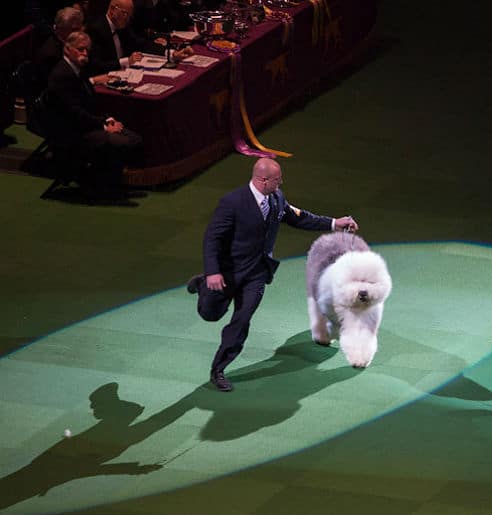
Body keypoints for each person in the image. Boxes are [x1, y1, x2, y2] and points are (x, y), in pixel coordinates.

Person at [186, 157, 359, 392]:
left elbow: (299, 217)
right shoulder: (232, 202)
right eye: (277, 179)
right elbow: (212, 238)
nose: (281, 182)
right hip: (228, 273)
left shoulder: (277, 198)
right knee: (210, 313)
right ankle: (203, 284)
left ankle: (218, 369)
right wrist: (213, 272)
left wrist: (333, 223)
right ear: (263, 179)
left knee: (242, 319)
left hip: (257, 273)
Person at [44, 30, 144, 199]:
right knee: (123, 141)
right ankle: (104, 187)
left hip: (84, 124)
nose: (84, 53)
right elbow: (74, 114)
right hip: (72, 132)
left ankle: (109, 184)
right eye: (80, 49)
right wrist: (103, 125)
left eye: (87, 50)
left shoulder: (79, 69)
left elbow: (91, 104)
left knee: (135, 139)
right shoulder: (62, 75)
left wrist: (107, 119)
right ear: (68, 49)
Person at [86, 0, 192, 74]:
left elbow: (141, 44)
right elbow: (95, 66)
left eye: (130, 16)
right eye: (126, 14)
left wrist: (172, 54)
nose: (128, 19)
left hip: (126, 73)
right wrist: (127, 61)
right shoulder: (95, 29)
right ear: (113, 10)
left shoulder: (122, 26)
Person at [34, 7, 85, 85]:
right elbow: (57, 86)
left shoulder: (71, 42)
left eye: (81, 28)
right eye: (75, 30)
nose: (80, 33)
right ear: (61, 29)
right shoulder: (50, 54)